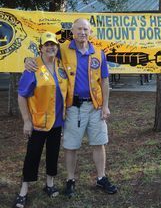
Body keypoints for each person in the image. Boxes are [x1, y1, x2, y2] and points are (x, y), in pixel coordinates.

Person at [25, 18, 117, 197]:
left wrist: (105, 106)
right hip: (73, 107)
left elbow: (104, 81)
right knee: (71, 146)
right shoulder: (63, 50)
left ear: (90, 32)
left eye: (86, 29)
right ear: (72, 32)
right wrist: (28, 60)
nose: (82, 32)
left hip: (96, 107)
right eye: (79, 29)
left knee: (99, 143)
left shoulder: (98, 53)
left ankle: (101, 178)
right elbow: (45, 57)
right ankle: (70, 180)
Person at [14, 32, 68, 208]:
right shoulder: (32, 68)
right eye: (47, 45)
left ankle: (49, 184)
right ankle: (23, 191)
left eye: (53, 44)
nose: (51, 47)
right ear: (41, 48)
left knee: (53, 154)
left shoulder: (61, 65)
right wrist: (26, 121)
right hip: (38, 123)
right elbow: (22, 96)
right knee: (32, 156)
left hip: (57, 121)